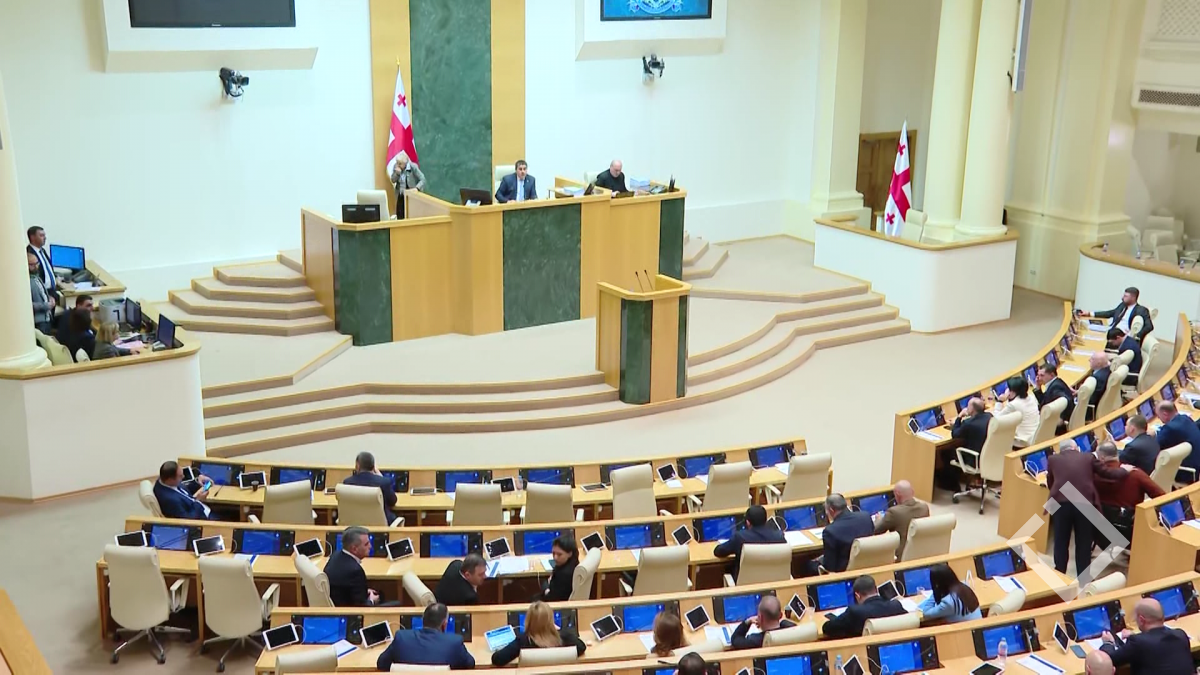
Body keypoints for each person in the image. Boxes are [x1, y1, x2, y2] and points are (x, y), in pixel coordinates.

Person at [1045, 439, 1128, 576]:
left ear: (1061, 451)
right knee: (1083, 542)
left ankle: (1060, 574)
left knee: (1060, 541)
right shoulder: (1088, 457)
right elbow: (1107, 473)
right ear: (1076, 448)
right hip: (1084, 503)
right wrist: (1124, 471)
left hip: (1061, 503)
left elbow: (1051, 481)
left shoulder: (1053, 459)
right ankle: (1083, 578)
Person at [1099, 598, 1193, 674]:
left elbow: (1108, 661)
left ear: (1141, 620)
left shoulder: (1138, 642)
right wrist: (1135, 636)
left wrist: (1108, 643)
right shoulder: (1181, 635)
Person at [376, 602, 475, 671]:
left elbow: (382, 663)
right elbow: (470, 664)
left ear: (423, 620)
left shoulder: (401, 637)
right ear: (444, 624)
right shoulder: (454, 642)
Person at [491, 601, 585, 666]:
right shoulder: (562, 637)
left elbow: (497, 659)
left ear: (528, 620)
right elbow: (581, 647)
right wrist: (559, 629)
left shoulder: (523, 641)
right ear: (551, 620)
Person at [804, 493, 873, 575]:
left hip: (843, 572)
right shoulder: (866, 517)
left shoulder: (830, 531)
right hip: (868, 565)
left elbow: (829, 567)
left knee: (808, 565)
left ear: (831, 510)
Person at [713, 504, 786, 580]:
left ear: (747, 522)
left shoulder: (740, 537)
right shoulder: (779, 536)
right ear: (765, 520)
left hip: (746, 583)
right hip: (774, 581)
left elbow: (718, 552)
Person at [822, 575, 907, 639]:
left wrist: (835, 618)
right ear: (876, 590)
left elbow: (827, 628)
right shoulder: (896, 605)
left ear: (857, 596)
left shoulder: (854, 612)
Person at [326, 526, 383, 607]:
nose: (370, 546)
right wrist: (372, 600)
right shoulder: (355, 571)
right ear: (354, 549)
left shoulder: (335, 556)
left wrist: (364, 591)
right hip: (347, 610)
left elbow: (345, 587)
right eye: (366, 544)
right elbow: (362, 607)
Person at [873, 480, 929, 559]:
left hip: (901, 558)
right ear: (913, 492)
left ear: (897, 495)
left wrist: (878, 519)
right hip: (921, 554)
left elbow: (876, 531)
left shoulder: (894, 512)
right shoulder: (924, 508)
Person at [341, 451, 397, 524]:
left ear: (357, 466)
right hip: (380, 526)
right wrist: (381, 477)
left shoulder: (348, 483)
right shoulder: (384, 482)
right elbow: (392, 502)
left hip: (355, 525)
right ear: (373, 467)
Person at [917, 563, 981, 623]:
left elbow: (926, 613)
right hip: (978, 624)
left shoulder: (948, 602)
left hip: (966, 629)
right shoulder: (964, 586)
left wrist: (936, 590)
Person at [1082, 286, 1153, 342]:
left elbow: (1149, 326)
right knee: (1089, 327)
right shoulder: (1122, 305)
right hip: (1112, 329)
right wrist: (1090, 313)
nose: (1122, 298)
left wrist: (1133, 335)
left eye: (1125, 296)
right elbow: (1111, 313)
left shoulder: (1141, 310)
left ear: (1133, 298)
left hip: (1122, 334)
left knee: (1108, 334)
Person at [1154, 401, 1200, 483]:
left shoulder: (1169, 428)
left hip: (1189, 472)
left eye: (1158, 416)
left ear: (1165, 414)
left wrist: (1153, 434)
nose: (1158, 418)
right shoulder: (1185, 418)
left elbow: (1155, 446)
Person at [730, 595, 796, 650]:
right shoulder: (793, 632)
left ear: (760, 618)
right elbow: (786, 624)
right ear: (781, 615)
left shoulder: (756, 640)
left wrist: (748, 621)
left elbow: (735, 639)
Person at [994, 375, 1040, 445]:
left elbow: (996, 420)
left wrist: (999, 402)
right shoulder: (1031, 398)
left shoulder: (1013, 405)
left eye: (1009, 389)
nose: (1007, 391)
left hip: (1024, 441)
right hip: (1037, 435)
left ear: (1014, 392)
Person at [1034, 362, 1075, 432]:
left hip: (1060, 426)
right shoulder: (1056, 382)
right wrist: (1038, 388)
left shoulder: (1056, 387)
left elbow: (1066, 400)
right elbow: (1045, 402)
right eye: (1038, 375)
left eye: (1042, 375)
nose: (1039, 378)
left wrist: (1062, 418)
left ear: (1052, 375)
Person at [26, 225, 60, 301]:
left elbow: (47, 269)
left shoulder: (42, 251)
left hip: (52, 290)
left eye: (44, 235)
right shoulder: (29, 254)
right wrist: (45, 294)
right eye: (41, 235)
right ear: (32, 237)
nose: (45, 238)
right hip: (43, 293)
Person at [540, 535, 579, 602]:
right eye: (553, 553)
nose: (555, 557)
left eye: (559, 554)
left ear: (570, 554)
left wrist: (546, 588)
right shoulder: (573, 563)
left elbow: (552, 598)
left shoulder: (564, 574)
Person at [389, 151, 426, 219]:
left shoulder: (412, 167)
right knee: (400, 215)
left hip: (411, 196)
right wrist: (397, 174)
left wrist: (417, 188)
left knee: (411, 215)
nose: (398, 165)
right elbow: (393, 180)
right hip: (400, 196)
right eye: (397, 163)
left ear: (405, 163)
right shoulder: (396, 167)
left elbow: (422, 179)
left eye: (400, 164)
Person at [28, 251, 54, 334]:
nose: (36, 266)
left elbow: (42, 293)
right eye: (32, 265)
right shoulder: (26, 282)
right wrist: (46, 305)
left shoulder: (36, 277)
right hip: (39, 321)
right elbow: (27, 304)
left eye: (37, 263)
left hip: (47, 317)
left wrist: (49, 298)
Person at [1087, 352, 1112, 421]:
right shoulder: (1108, 370)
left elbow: (1091, 400)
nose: (1089, 360)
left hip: (1090, 410)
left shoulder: (1098, 378)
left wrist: (1079, 396)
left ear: (1098, 364)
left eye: (1092, 359)